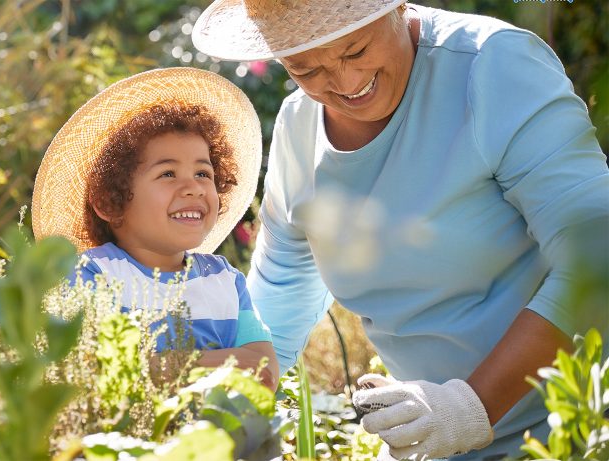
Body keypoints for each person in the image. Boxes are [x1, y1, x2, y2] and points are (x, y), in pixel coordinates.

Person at [193, 1, 608, 459]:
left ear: (396, 8)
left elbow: (596, 255)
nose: (347, 83)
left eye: (356, 49)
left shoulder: (490, 67)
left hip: (580, 429)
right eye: (306, 68)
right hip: (435, 445)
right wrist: (221, 414)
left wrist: (471, 407)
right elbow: (280, 295)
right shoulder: (298, 127)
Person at [31, 68, 279, 391]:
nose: (193, 188)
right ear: (110, 202)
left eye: (204, 174)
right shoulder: (93, 275)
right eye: (168, 174)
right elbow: (102, 372)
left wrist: (163, 365)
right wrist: (224, 362)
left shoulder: (226, 280)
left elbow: (263, 371)